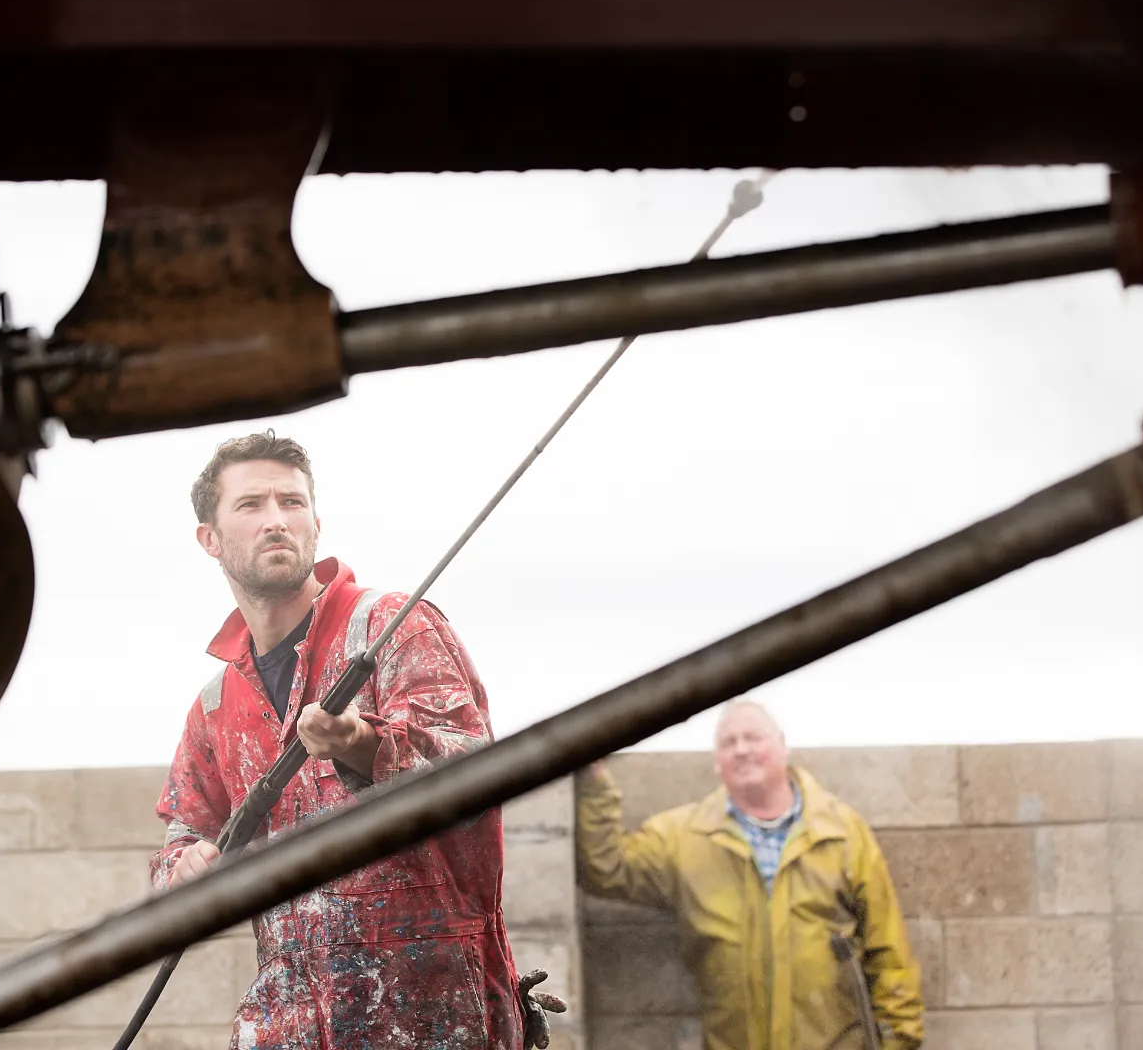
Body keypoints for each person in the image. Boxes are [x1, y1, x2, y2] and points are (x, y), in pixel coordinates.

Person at [149, 430, 561, 1050]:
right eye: (250, 505)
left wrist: (364, 745)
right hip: (287, 1023)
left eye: (291, 503)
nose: (275, 521)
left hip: (432, 1017)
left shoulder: (392, 627)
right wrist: (180, 873)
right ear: (209, 538)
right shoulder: (215, 706)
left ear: (317, 520)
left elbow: (480, 772)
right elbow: (184, 835)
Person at [576, 700, 924, 1050]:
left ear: (782, 745)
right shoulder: (684, 838)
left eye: (753, 737)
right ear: (717, 761)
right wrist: (594, 781)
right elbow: (604, 869)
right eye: (729, 742)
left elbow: (889, 952)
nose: (741, 749)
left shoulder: (843, 832)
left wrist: (899, 1042)